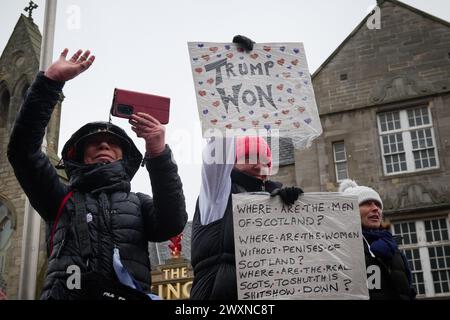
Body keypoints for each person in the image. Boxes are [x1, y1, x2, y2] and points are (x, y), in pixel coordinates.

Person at [7, 49, 187, 300]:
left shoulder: (139, 203)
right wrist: (50, 82)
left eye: (113, 143)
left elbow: (173, 221)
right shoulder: (60, 198)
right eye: (95, 142)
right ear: (79, 155)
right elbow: (22, 151)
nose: (104, 146)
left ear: (124, 157)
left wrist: (158, 153)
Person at [190, 136, 303, 300]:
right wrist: (225, 117)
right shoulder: (217, 195)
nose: (259, 166)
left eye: (265, 161)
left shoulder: (276, 201)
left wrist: (291, 213)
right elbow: (219, 149)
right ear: (232, 161)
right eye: (249, 157)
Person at [339, 179, 416, 300]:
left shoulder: (393, 249)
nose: (376, 209)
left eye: (378, 205)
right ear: (349, 210)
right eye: (367, 203)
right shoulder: (340, 249)